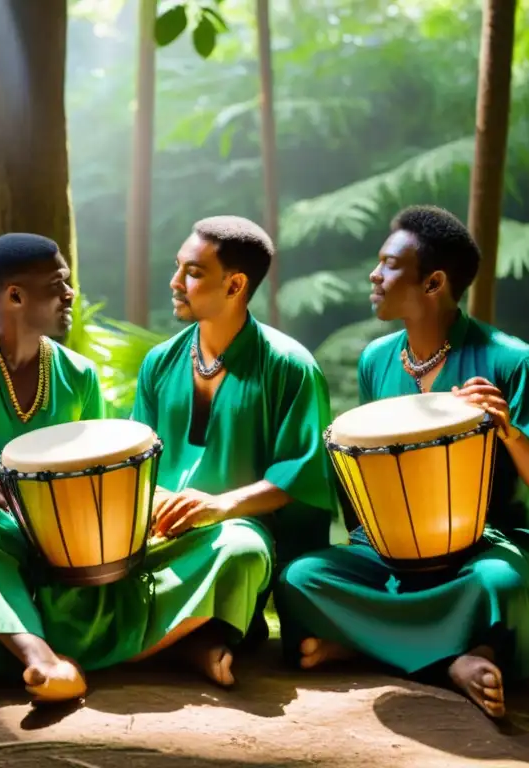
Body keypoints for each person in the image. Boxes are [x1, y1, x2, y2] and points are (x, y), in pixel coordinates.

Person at [0, 232, 279, 703]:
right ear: (15, 295)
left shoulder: (79, 374)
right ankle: (42, 660)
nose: (70, 294)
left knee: (243, 543)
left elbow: (100, 466)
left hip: (78, 542)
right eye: (58, 283)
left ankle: (153, 647)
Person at [277, 205, 529, 720]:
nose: (374, 275)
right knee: (298, 577)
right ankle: (455, 660)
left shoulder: (512, 361)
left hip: (483, 549)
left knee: (499, 585)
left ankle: (367, 644)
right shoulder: (376, 359)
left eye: (389, 264)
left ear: (433, 282)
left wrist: (506, 429)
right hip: (390, 550)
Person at [130, 215, 340, 674]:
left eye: (193, 272)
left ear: (235, 284)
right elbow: (139, 459)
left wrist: (219, 508)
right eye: (177, 267)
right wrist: (157, 500)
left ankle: (179, 638)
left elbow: (297, 477)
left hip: (240, 531)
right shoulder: (159, 362)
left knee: (240, 551)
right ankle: (196, 640)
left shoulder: (290, 366)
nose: (176, 282)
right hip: (162, 528)